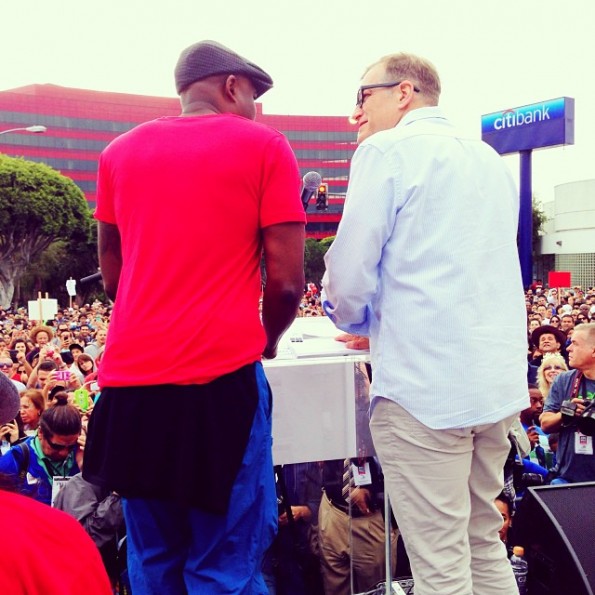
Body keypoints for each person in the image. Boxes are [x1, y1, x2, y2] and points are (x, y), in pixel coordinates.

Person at [82, 40, 305, 594]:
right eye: (253, 94)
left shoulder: (118, 153)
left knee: (154, 558)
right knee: (223, 562)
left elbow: (113, 275)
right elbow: (286, 283)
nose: (256, 107)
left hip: (132, 387)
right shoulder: (265, 147)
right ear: (232, 86)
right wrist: (269, 340)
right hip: (220, 380)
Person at [322, 52, 527, 594]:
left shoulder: (385, 152)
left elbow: (347, 277)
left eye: (362, 96)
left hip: (425, 393)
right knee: (483, 541)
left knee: (439, 564)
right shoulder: (488, 158)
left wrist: (359, 318)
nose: (354, 115)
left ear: (404, 92)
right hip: (495, 388)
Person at [0, 364, 112, 594]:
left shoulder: (82, 459)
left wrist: (87, 471)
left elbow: (101, 515)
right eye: (58, 446)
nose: (64, 452)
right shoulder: (14, 460)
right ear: (41, 433)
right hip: (32, 552)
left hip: (70, 551)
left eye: (71, 446)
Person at [540, 323, 595, 484]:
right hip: (568, 478)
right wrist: (565, 414)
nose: (569, 348)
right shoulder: (564, 380)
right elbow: (545, 423)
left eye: (575, 343)